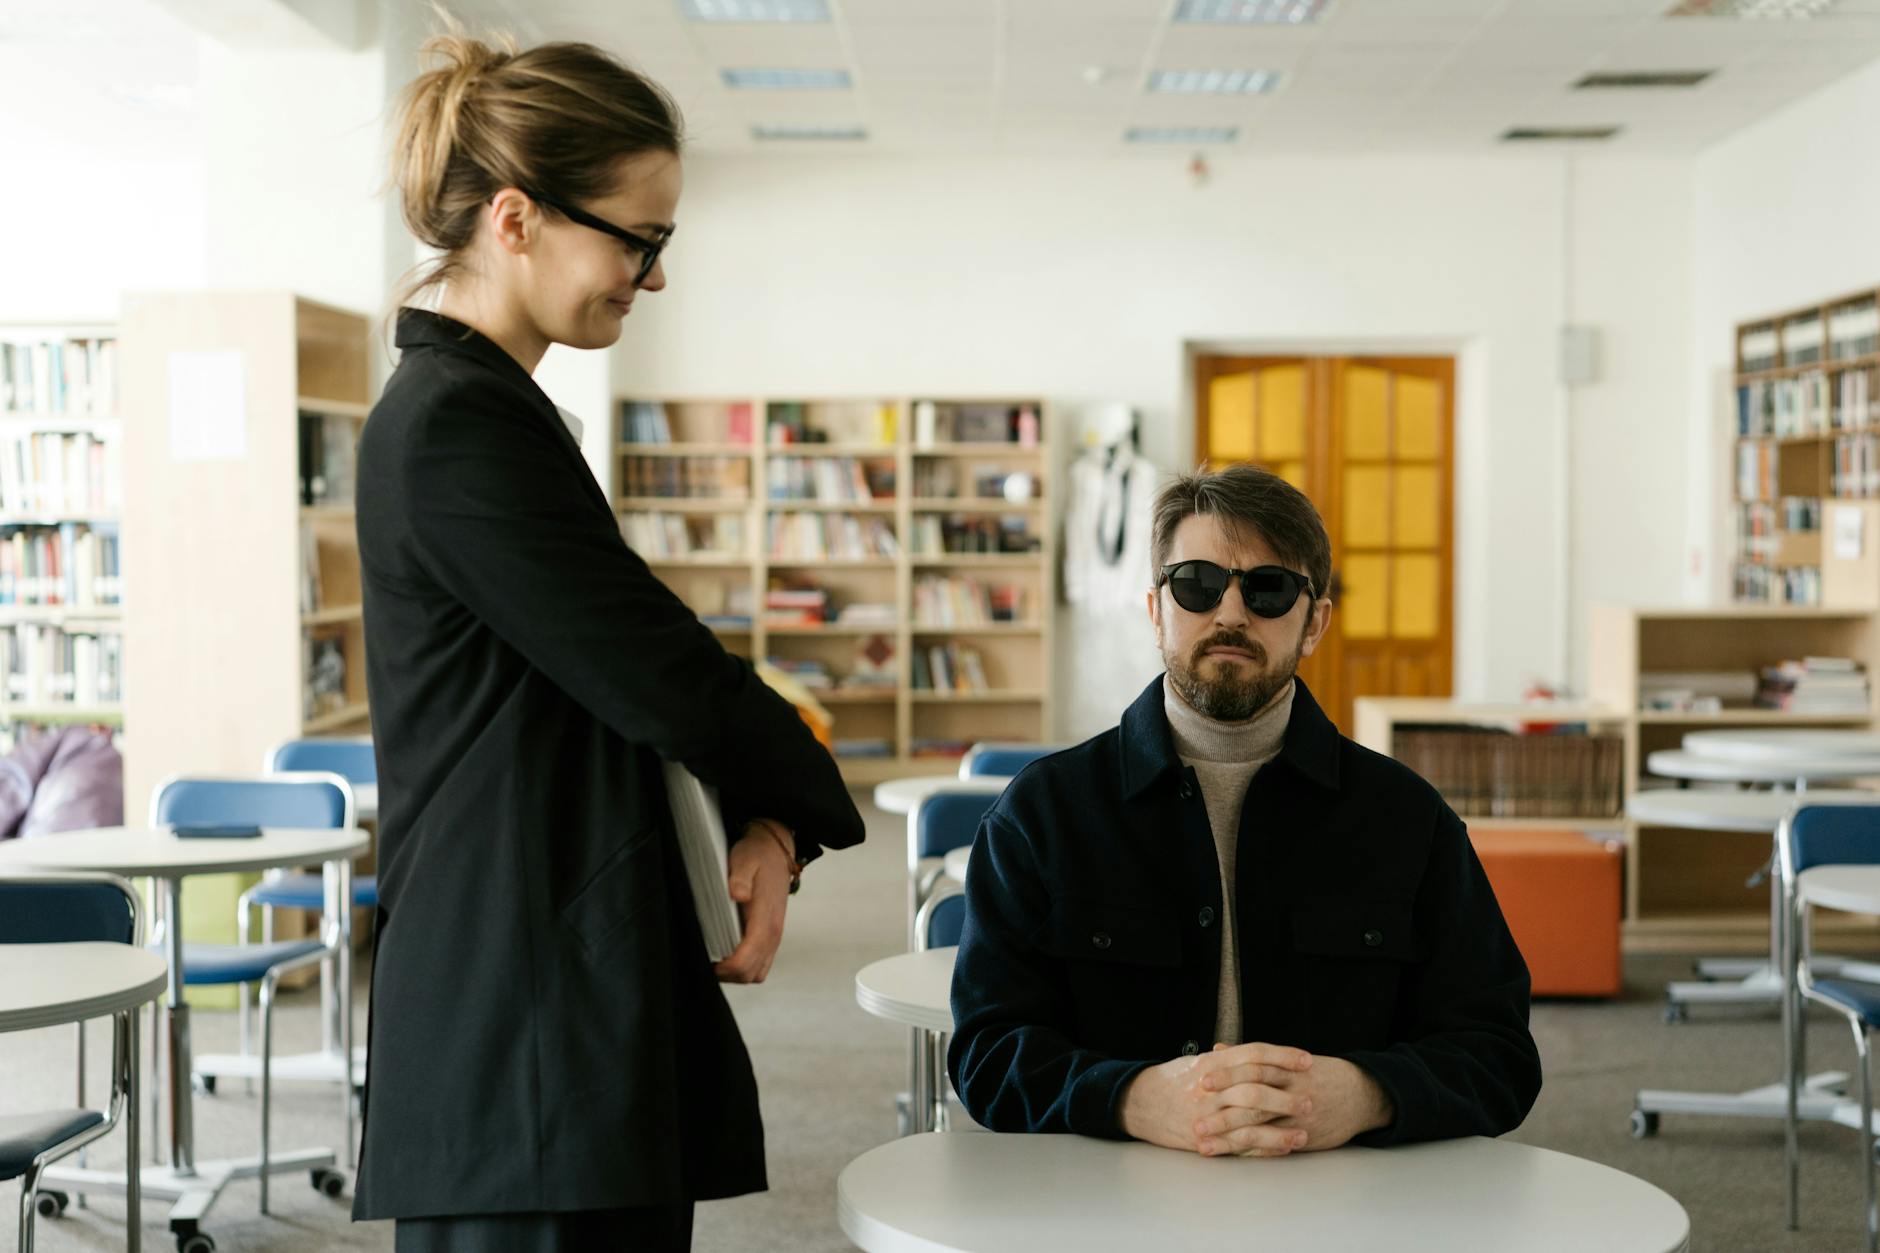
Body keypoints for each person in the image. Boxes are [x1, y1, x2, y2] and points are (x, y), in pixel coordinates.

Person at [351, 24, 864, 1251]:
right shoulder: (454, 430)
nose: (655, 273)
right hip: (522, 1014)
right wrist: (798, 804)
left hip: (551, 992)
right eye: (640, 238)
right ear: (517, 217)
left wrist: (776, 819)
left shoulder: (493, 413)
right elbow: (657, 666)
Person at [948, 464, 1540, 1158]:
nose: (1230, 613)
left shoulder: (1408, 820)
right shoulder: (1042, 814)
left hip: (1349, 1204)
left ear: (1313, 622)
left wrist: (1365, 1092)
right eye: (1197, 583)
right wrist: (1132, 1098)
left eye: (1268, 588)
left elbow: (1499, 1052)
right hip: (1111, 1203)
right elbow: (987, 1054)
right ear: (1155, 610)